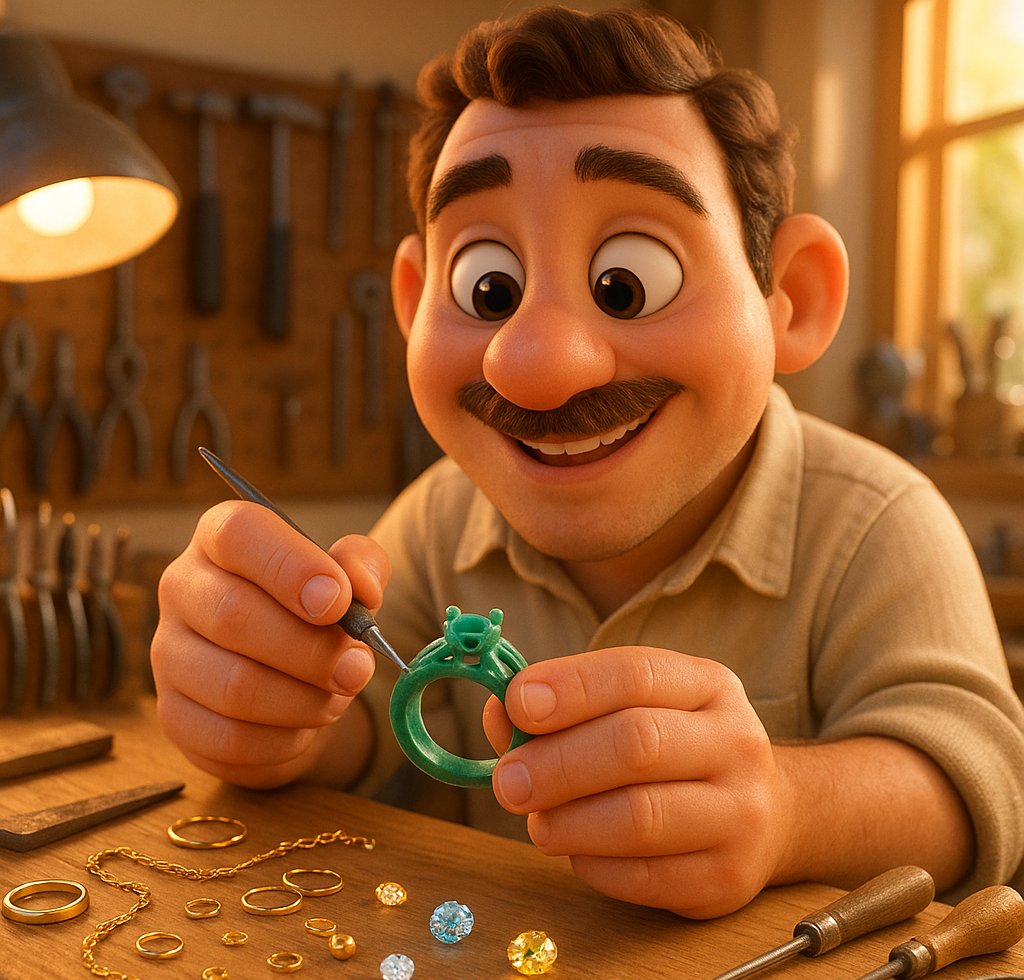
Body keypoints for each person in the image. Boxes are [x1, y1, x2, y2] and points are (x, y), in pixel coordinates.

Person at [151, 5, 1024, 919]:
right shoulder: (440, 516)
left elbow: (978, 782)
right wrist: (274, 709)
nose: (535, 364)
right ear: (415, 302)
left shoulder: (877, 521)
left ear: (790, 298)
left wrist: (789, 809)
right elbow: (366, 724)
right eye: (487, 288)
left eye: (627, 283)